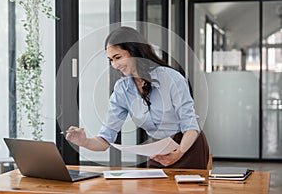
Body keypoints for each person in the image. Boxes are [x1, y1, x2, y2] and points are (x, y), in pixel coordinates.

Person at [66, 26, 209, 169]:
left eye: (118, 57)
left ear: (135, 52)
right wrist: (84, 141)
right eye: (110, 60)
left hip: (187, 146)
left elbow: (190, 125)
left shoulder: (171, 78)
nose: (114, 65)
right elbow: (105, 139)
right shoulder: (122, 89)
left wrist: (178, 153)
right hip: (157, 150)